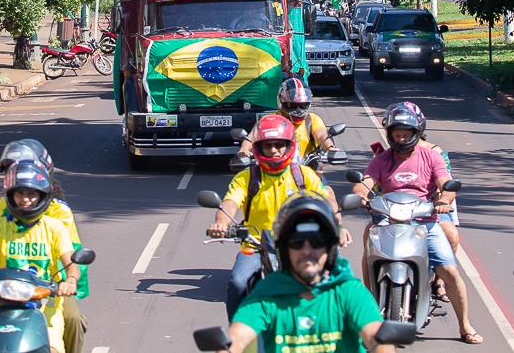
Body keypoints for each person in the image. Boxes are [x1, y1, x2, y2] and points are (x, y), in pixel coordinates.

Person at [351, 101, 483, 344]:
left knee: (450, 270)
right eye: (396, 134)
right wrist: (360, 195)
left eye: (406, 134)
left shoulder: (432, 157)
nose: (401, 139)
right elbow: (365, 182)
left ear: (417, 132)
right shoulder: (382, 159)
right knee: (369, 244)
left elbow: (446, 184)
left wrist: (444, 199)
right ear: (389, 134)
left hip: (425, 222)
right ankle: (370, 306)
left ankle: (465, 325)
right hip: (387, 220)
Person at [207, 114, 349, 320]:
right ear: (258, 147)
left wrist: (337, 226)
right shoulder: (246, 177)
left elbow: (328, 201)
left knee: (338, 277)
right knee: (238, 282)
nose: (273, 150)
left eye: (279, 145)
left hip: (302, 245)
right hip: (256, 246)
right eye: (267, 145)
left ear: (289, 146)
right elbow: (230, 202)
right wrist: (221, 223)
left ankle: (342, 330)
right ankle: (238, 340)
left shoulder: (304, 174)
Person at [220, 191, 394, 353]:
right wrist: (227, 347)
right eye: (297, 242)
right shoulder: (266, 296)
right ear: (284, 249)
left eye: (316, 241)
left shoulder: (349, 292)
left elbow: (376, 336)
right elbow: (238, 336)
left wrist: (382, 345)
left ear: (330, 247)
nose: (307, 250)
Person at [0, 159, 80, 353]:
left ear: (42, 196)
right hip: (0, 300)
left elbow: (70, 262)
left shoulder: (54, 227)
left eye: (31, 194)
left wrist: (71, 280)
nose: (25, 199)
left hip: (44, 301)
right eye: (20, 193)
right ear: (11, 195)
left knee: (52, 348)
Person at [0, 139, 89, 353]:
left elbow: (70, 257)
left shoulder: (59, 212)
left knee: (73, 320)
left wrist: (69, 283)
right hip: (10, 287)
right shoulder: (2, 208)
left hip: (50, 288)